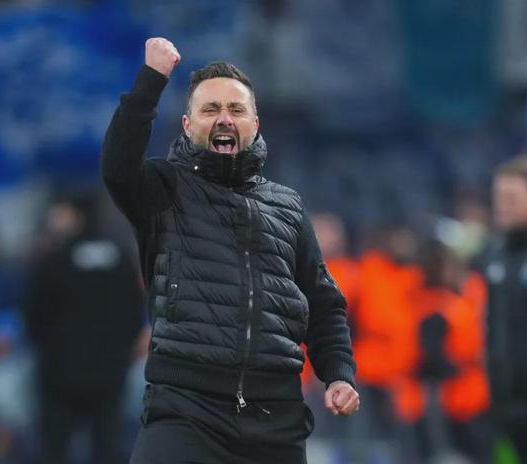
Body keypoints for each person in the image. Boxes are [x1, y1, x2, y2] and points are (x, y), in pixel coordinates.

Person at [101, 37, 359, 463]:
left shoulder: (288, 207)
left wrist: (338, 374)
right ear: (187, 125)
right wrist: (151, 81)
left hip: (275, 418)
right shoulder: (163, 189)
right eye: (210, 109)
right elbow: (117, 166)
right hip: (185, 411)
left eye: (236, 110)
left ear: (255, 124)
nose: (224, 118)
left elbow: (324, 304)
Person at [23, 193, 145, 464]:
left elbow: (33, 317)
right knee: (107, 447)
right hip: (110, 373)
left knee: (56, 449)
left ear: (75, 216)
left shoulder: (54, 261)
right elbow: (135, 314)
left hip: (59, 375)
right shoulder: (121, 259)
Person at [484, 155, 527, 463]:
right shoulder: (497, 254)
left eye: (512, 197)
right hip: (506, 401)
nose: (502, 205)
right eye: (498, 197)